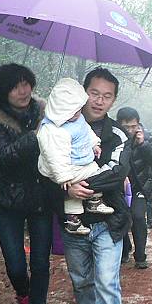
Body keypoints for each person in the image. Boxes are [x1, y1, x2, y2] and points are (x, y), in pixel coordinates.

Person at [40, 67, 131, 304]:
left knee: (107, 280)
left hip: (108, 221)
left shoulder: (117, 135)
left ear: (113, 100)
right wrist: (65, 186)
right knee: (81, 280)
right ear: (83, 93)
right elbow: (46, 172)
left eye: (107, 96)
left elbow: (118, 172)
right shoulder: (55, 129)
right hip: (73, 223)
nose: (99, 101)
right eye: (94, 93)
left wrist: (81, 184)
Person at [0, 63, 52, 304]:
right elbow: (4, 157)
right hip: (8, 199)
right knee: (15, 263)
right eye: (15, 86)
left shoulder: (46, 113)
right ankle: (23, 293)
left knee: (40, 261)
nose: (23, 91)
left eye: (26, 84)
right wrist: (35, 137)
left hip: (40, 197)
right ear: (3, 92)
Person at [36, 78, 114, 236]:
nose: (78, 113)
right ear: (62, 109)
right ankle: (94, 200)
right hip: (63, 169)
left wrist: (94, 144)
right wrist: (64, 177)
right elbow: (55, 157)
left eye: (79, 109)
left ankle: (73, 221)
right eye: (74, 111)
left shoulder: (77, 119)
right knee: (96, 171)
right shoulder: (52, 131)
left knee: (74, 196)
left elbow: (85, 131)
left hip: (75, 164)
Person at [116, 107, 152, 268]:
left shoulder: (146, 136)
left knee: (139, 217)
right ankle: (124, 250)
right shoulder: (114, 136)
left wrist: (143, 144)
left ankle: (140, 256)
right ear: (119, 124)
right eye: (126, 127)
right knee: (120, 218)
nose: (130, 130)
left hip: (139, 187)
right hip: (117, 188)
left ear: (138, 124)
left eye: (133, 126)